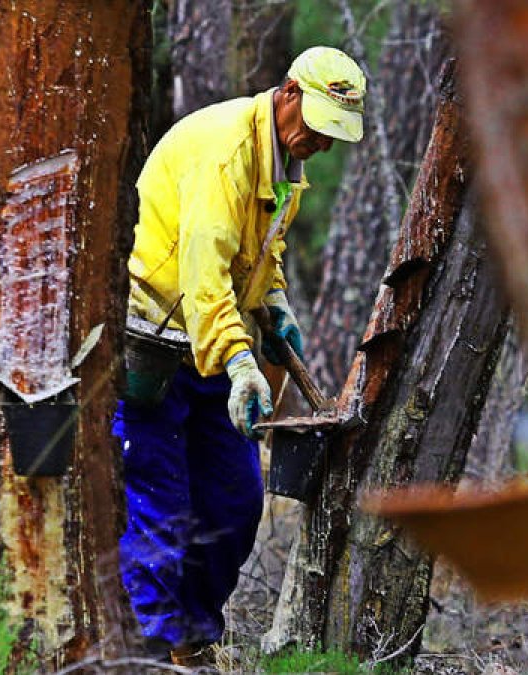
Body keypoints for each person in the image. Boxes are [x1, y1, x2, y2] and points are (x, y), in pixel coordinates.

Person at [114, 46, 366, 665]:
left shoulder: (285, 168)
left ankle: (193, 640)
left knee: (235, 501)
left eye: (334, 136)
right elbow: (202, 276)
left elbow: (258, 255)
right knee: (160, 507)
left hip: (213, 345)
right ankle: (144, 651)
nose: (320, 144)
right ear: (287, 94)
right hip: (153, 340)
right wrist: (241, 359)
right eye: (315, 127)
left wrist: (275, 303)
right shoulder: (226, 152)